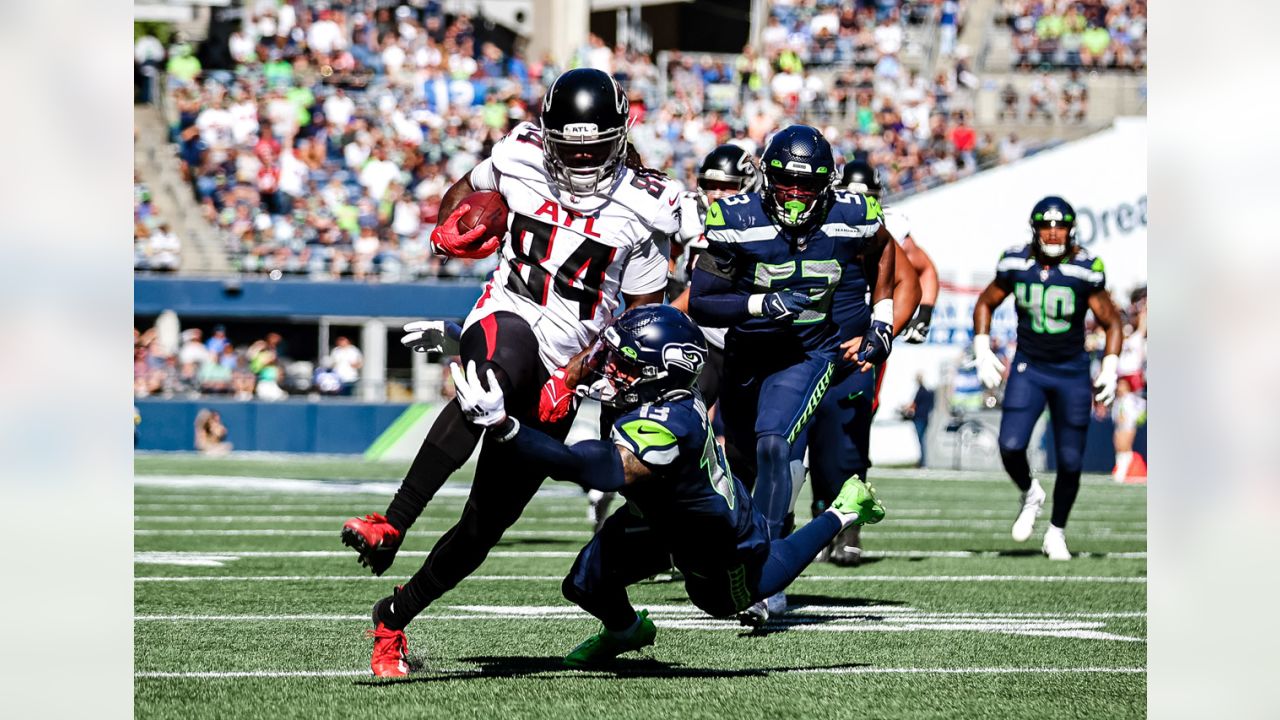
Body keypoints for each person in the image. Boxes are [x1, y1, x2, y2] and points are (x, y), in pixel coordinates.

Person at [340, 68, 684, 678]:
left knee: (482, 527)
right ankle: (390, 522)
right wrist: (451, 227)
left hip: (566, 365)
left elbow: (637, 325)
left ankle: (393, 616)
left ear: (620, 137)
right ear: (548, 136)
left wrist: (575, 378)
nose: (579, 160)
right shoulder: (518, 153)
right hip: (508, 317)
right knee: (492, 376)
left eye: (593, 147)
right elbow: (457, 194)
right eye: (569, 146)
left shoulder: (647, 204)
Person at [448, 305, 885, 665]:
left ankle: (842, 510)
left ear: (660, 372)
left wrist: (507, 429)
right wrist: (470, 341)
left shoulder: (666, 424)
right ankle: (626, 632)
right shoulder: (656, 393)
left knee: (730, 596)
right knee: (583, 583)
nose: (609, 367)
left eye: (623, 362)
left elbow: (588, 468)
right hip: (658, 517)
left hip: (714, 540)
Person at [688, 125, 898, 624]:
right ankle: (733, 555)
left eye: (808, 185)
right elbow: (702, 300)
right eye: (786, 182)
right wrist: (762, 302)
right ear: (766, 176)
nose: (797, 194)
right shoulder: (735, 219)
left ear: (827, 185)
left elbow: (885, 251)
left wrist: (883, 319)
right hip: (746, 357)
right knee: (738, 463)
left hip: (806, 354)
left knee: (774, 446)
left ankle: (767, 577)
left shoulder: (853, 216)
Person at [971, 196, 1123, 560]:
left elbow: (1112, 320)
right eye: (1046, 225)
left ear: (1071, 229)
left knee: (1071, 461)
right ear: (1034, 229)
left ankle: (1056, 531)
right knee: (1009, 445)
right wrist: (981, 346)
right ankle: (1030, 492)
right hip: (1030, 367)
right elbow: (985, 302)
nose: (1053, 233)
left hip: (1071, 371)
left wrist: (1111, 364)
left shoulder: (1085, 267)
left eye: (1060, 226)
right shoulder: (1015, 262)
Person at [839, 160, 938, 343]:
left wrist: (923, 316)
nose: (858, 207)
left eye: (867, 199)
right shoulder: (822, 226)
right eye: (850, 198)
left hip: (866, 330)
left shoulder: (891, 226)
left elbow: (925, 271)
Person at [1111, 377, 1146, 483]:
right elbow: (1115, 413)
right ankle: (1121, 470)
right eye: (1119, 384)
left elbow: (1142, 406)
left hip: (1128, 426)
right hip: (1119, 426)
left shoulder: (1131, 398)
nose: (1119, 387)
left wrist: (1135, 419)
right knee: (1119, 449)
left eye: (1122, 384)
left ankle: (1122, 473)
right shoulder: (1118, 399)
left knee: (1125, 448)